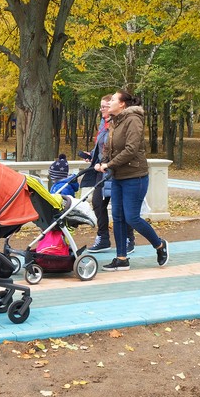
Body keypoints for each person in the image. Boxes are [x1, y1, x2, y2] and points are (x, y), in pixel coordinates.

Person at [95, 90, 168, 271]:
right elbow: (108, 147)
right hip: (119, 176)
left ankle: (160, 245)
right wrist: (103, 161)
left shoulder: (133, 119)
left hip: (135, 176)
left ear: (122, 104)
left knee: (132, 217)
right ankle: (121, 258)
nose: (108, 102)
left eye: (112, 99)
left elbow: (131, 149)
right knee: (118, 217)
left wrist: (109, 164)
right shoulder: (114, 121)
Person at [81, 95, 135, 254]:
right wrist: (92, 155)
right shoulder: (102, 123)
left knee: (122, 207)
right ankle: (103, 238)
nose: (102, 109)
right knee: (98, 203)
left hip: (117, 170)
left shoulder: (121, 123)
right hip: (102, 170)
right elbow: (102, 145)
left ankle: (128, 238)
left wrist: (110, 162)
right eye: (101, 106)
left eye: (105, 106)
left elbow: (124, 147)